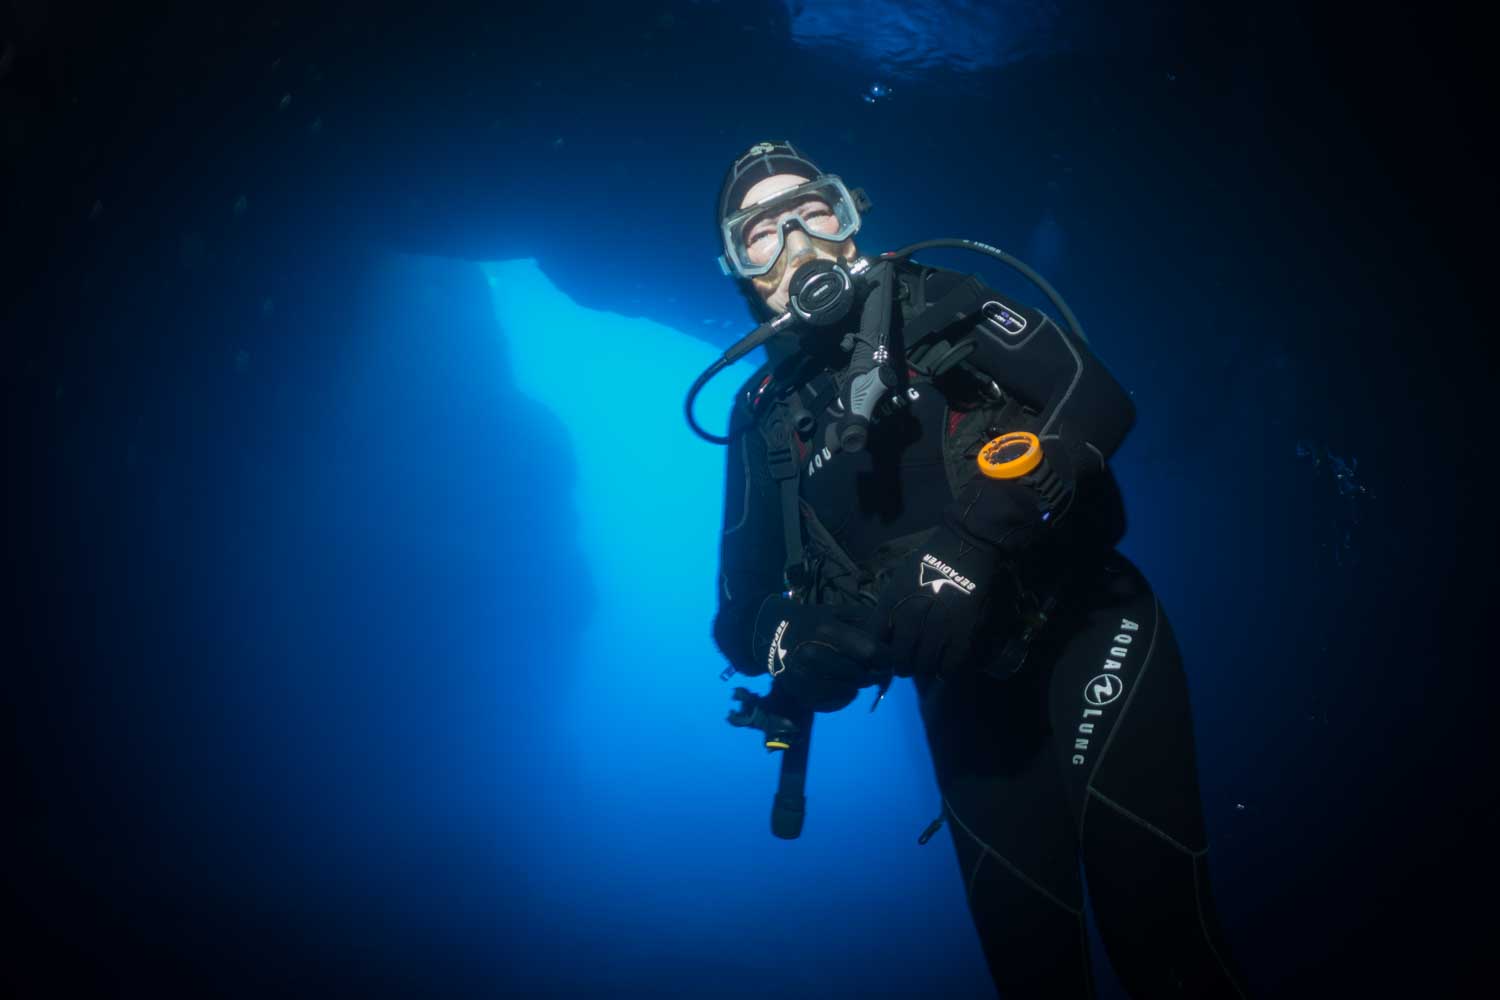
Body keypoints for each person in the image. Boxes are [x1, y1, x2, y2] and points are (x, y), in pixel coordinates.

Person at [708, 141, 1251, 998]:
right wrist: (801, 640)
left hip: (1087, 625)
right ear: (744, 274)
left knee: (1162, 941)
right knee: (1034, 973)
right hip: (961, 697)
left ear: (851, 221)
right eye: (763, 235)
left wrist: (976, 542)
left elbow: (1099, 398)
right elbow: (739, 616)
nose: (798, 245)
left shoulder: (934, 299)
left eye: (814, 211)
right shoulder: (763, 415)